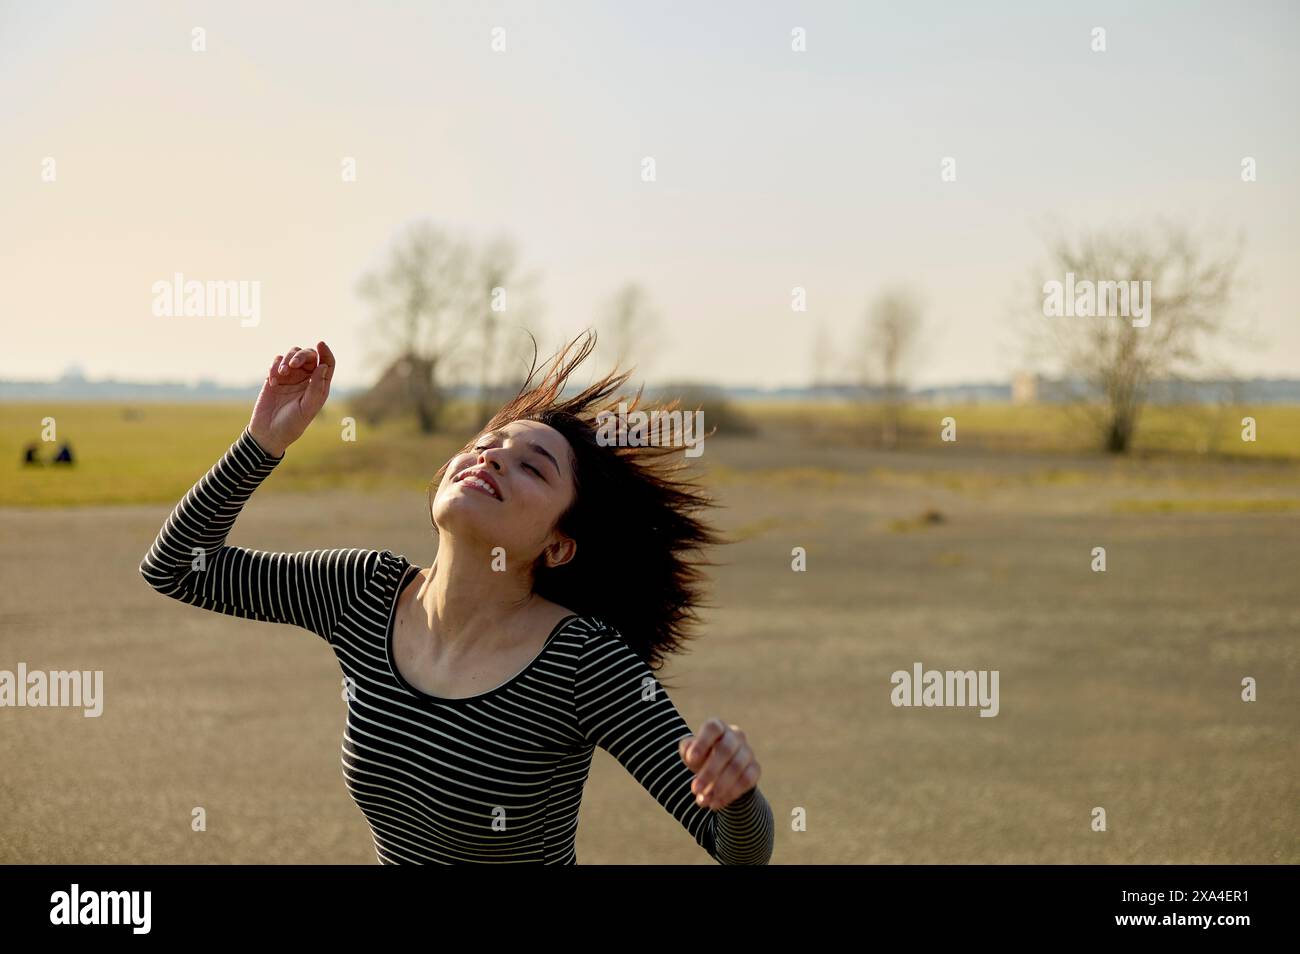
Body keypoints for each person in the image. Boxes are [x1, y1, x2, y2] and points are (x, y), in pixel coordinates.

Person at [139, 333, 774, 864]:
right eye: (483, 446)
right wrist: (262, 442)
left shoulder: (582, 660)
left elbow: (737, 849)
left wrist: (738, 795)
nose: (490, 461)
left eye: (532, 467)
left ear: (558, 546)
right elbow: (177, 567)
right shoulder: (362, 592)